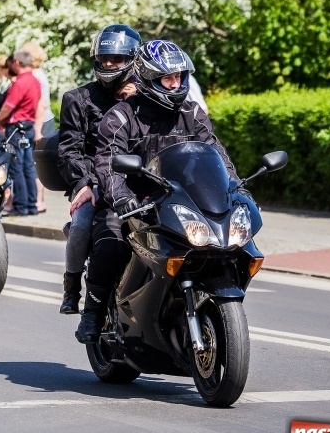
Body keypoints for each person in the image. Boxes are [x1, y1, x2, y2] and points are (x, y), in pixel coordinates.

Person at [78, 40, 242, 343]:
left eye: (180, 77)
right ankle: (94, 312)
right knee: (110, 242)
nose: (176, 84)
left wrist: (234, 187)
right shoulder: (122, 116)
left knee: (230, 244)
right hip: (135, 203)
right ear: (150, 79)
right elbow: (107, 163)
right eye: (168, 78)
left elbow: (216, 154)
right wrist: (122, 198)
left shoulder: (192, 113)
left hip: (180, 203)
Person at [56, 24, 140, 315]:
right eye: (104, 58)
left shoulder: (145, 97)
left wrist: (138, 100)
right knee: (81, 223)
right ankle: (71, 288)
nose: (108, 64)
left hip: (139, 181)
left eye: (115, 59)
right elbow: (69, 150)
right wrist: (86, 183)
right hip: (92, 180)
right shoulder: (78, 99)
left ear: (132, 59)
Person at [0, 50, 40, 217]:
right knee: (28, 167)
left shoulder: (21, 82)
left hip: (16, 128)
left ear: (18, 63)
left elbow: (8, 107)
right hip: (28, 126)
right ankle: (31, 205)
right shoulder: (34, 81)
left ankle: (21, 206)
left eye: (12, 62)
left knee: (16, 167)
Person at [22, 42, 55, 213]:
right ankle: (37, 200)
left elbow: (40, 105)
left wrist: (36, 129)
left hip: (40, 121)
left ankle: (38, 201)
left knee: (35, 163)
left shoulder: (34, 75)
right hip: (46, 120)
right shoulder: (40, 73)